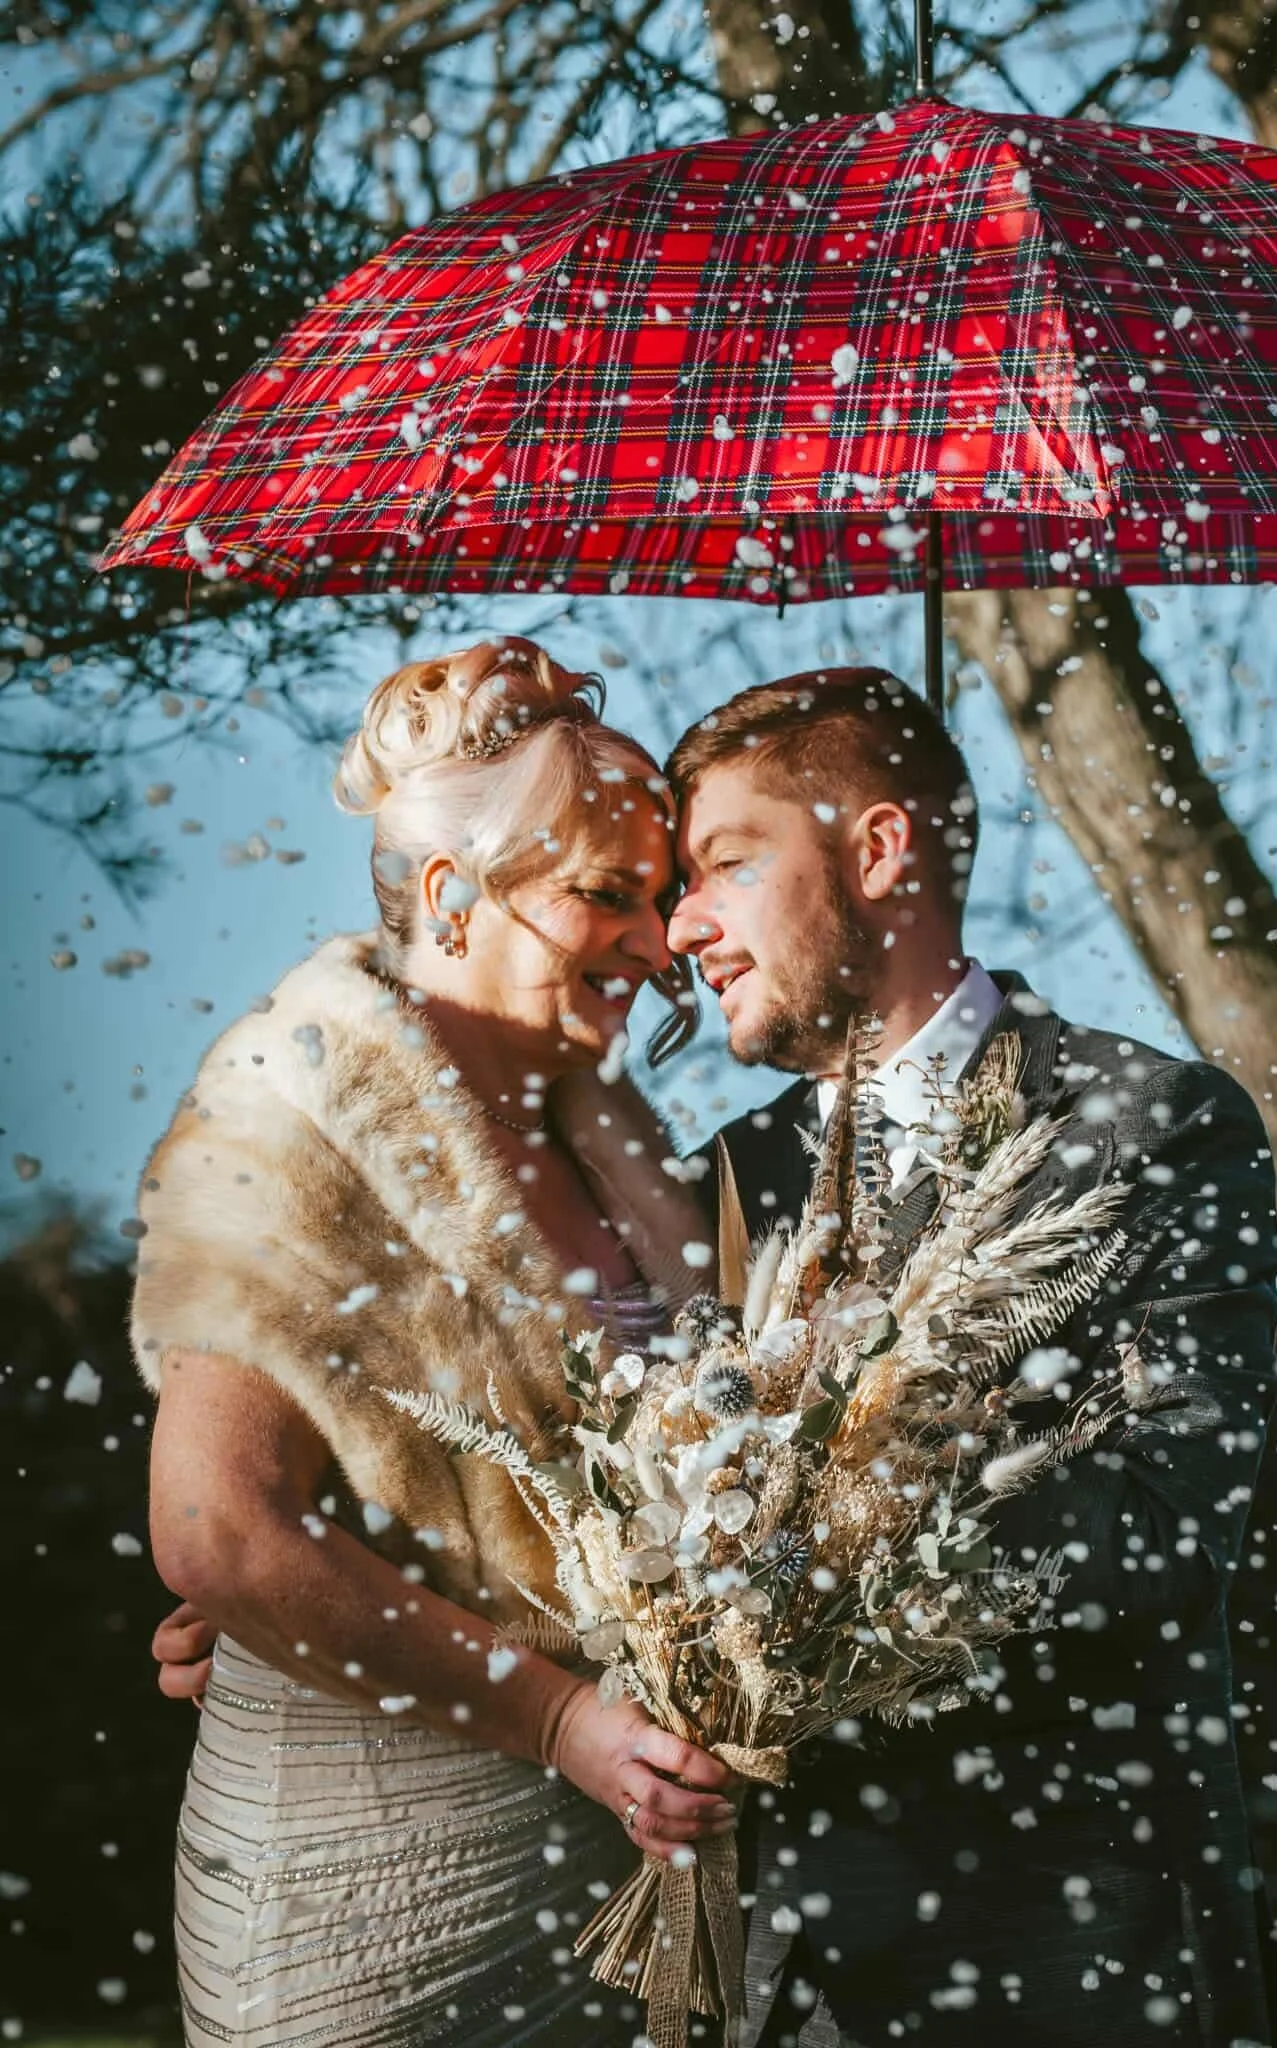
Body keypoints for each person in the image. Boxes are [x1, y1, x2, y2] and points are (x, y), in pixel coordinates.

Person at [664, 669, 1277, 2048]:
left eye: (725, 865)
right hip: (783, 1959)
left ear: (881, 849)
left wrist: (855, 1528)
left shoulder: (1150, 1126)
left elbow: (1173, 1514)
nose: (683, 927)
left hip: (1069, 1936)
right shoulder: (719, 1181)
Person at [134, 638, 734, 2047]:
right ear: (456, 894)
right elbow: (218, 1533)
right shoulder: (292, 1111)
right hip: (368, 1893)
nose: (657, 947)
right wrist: (561, 1724)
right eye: (605, 897)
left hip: (622, 1870)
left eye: (666, 899)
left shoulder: (616, 1148)